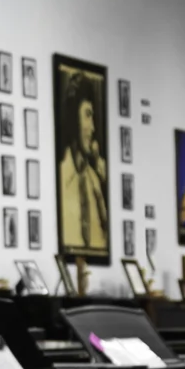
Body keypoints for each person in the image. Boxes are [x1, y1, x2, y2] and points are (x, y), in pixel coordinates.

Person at [57, 88, 108, 255]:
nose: (92, 128)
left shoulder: (95, 182)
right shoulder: (60, 179)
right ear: (73, 119)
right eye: (87, 115)